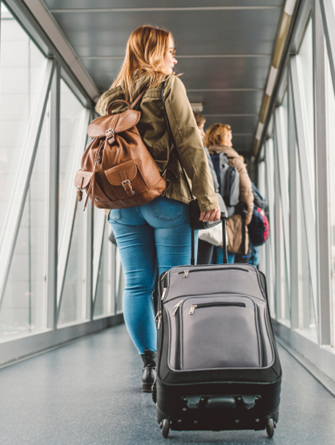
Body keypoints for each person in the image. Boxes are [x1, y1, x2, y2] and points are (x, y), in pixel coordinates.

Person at [95, 25, 220, 392]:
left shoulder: (109, 98)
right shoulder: (168, 86)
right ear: (154, 53)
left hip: (121, 204)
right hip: (165, 199)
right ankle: (172, 363)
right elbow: (189, 144)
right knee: (173, 286)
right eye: (170, 51)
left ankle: (149, 363)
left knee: (136, 285)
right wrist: (207, 198)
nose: (174, 59)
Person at [205, 124, 254, 264]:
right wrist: (246, 219)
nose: (231, 143)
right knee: (225, 268)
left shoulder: (203, 156)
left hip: (206, 221)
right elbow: (246, 193)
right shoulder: (235, 159)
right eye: (229, 139)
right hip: (231, 222)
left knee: (203, 268)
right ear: (222, 139)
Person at [193, 111, 222, 265]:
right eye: (201, 128)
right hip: (200, 217)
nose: (203, 134)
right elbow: (213, 184)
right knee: (200, 270)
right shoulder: (199, 150)